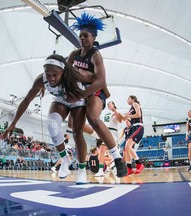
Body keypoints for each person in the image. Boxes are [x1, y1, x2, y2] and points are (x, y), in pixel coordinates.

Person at [3, 54, 90, 184]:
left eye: (55, 74)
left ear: (63, 71)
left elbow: (96, 79)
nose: (51, 78)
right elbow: (27, 100)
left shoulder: (74, 75)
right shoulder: (41, 80)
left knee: (77, 134)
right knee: (51, 124)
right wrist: (13, 123)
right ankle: (65, 159)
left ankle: (82, 170)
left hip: (78, 100)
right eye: (48, 74)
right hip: (61, 100)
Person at [67, 12, 127, 178]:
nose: (82, 39)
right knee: (72, 125)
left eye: (85, 36)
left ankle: (117, 158)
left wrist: (80, 93)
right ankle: (92, 143)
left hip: (95, 91)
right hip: (80, 91)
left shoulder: (95, 55)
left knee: (93, 118)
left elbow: (100, 81)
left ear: (93, 37)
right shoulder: (74, 55)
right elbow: (65, 73)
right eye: (80, 36)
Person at [95, 101, 122, 176]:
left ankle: (117, 168)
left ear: (113, 104)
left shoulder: (117, 112)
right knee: (102, 149)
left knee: (114, 151)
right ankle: (100, 170)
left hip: (113, 132)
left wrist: (115, 111)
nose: (108, 104)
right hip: (106, 131)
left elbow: (120, 120)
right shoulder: (105, 114)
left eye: (110, 103)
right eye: (108, 104)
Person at [121, 96, 145, 175]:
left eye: (128, 98)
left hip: (138, 126)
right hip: (134, 127)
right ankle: (129, 168)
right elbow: (125, 118)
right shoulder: (130, 109)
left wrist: (129, 116)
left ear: (132, 99)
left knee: (128, 146)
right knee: (126, 148)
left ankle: (139, 164)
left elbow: (138, 114)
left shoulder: (135, 104)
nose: (127, 100)